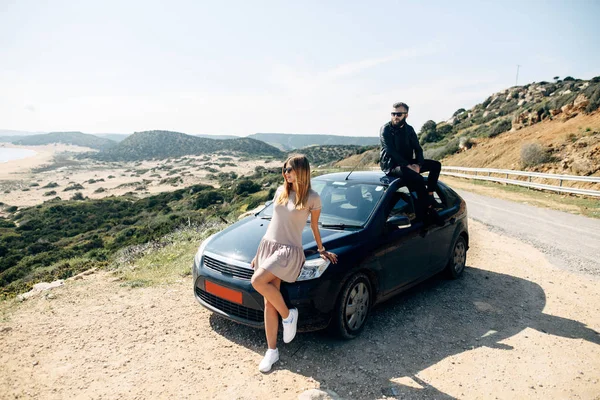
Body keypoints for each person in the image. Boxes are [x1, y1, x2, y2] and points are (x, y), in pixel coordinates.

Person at [250, 154, 338, 373]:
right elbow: (274, 223)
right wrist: (258, 253)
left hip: (288, 251)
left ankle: (289, 316)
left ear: (301, 171)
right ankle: (272, 351)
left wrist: (321, 249)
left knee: (257, 281)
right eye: (285, 169)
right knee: (270, 302)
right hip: (269, 247)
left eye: (290, 169)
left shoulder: (312, 198)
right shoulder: (281, 192)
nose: (286, 173)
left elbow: (315, 227)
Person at [379, 102, 443, 225]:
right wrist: (408, 166)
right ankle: (428, 209)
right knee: (417, 179)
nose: (395, 117)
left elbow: (418, 148)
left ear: (406, 115)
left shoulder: (409, 129)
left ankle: (430, 195)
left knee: (436, 165)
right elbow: (390, 150)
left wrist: (418, 164)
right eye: (393, 114)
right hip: (391, 165)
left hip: (408, 162)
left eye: (398, 114)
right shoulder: (385, 129)